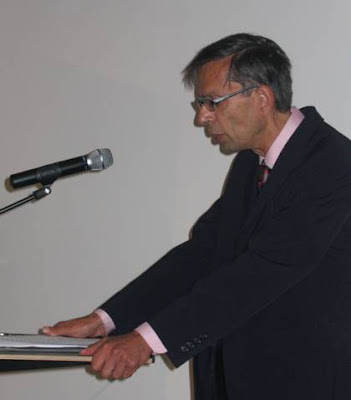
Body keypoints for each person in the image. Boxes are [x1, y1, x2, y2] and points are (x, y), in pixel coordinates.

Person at [42, 33, 351, 400]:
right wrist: (105, 321)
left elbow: (262, 271)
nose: (201, 117)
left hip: (300, 382)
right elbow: (202, 255)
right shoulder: (250, 164)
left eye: (211, 102)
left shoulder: (331, 164)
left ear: (262, 98)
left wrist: (145, 341)